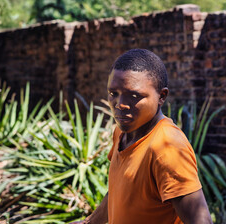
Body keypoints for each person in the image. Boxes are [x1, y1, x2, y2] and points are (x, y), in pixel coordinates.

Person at [71, 49, 212, 224]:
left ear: (161, 96)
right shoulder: (122, 132)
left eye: (134, 96)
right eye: (113, 94)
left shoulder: (167, 148)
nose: (120, 104)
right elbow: (118, 193)